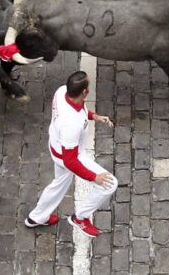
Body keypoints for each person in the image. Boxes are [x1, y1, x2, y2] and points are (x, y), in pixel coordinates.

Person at [25, 71, 116, 238]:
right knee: (109, 184)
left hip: (56, 145)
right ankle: (80, 218)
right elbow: (70, 161)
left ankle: (36, 217)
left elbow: (80, 109)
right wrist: (93, 177)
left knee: (59, 184)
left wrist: (93, 116)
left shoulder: (62, 91)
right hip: (68, 155)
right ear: (84, 92)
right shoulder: (70, 125)